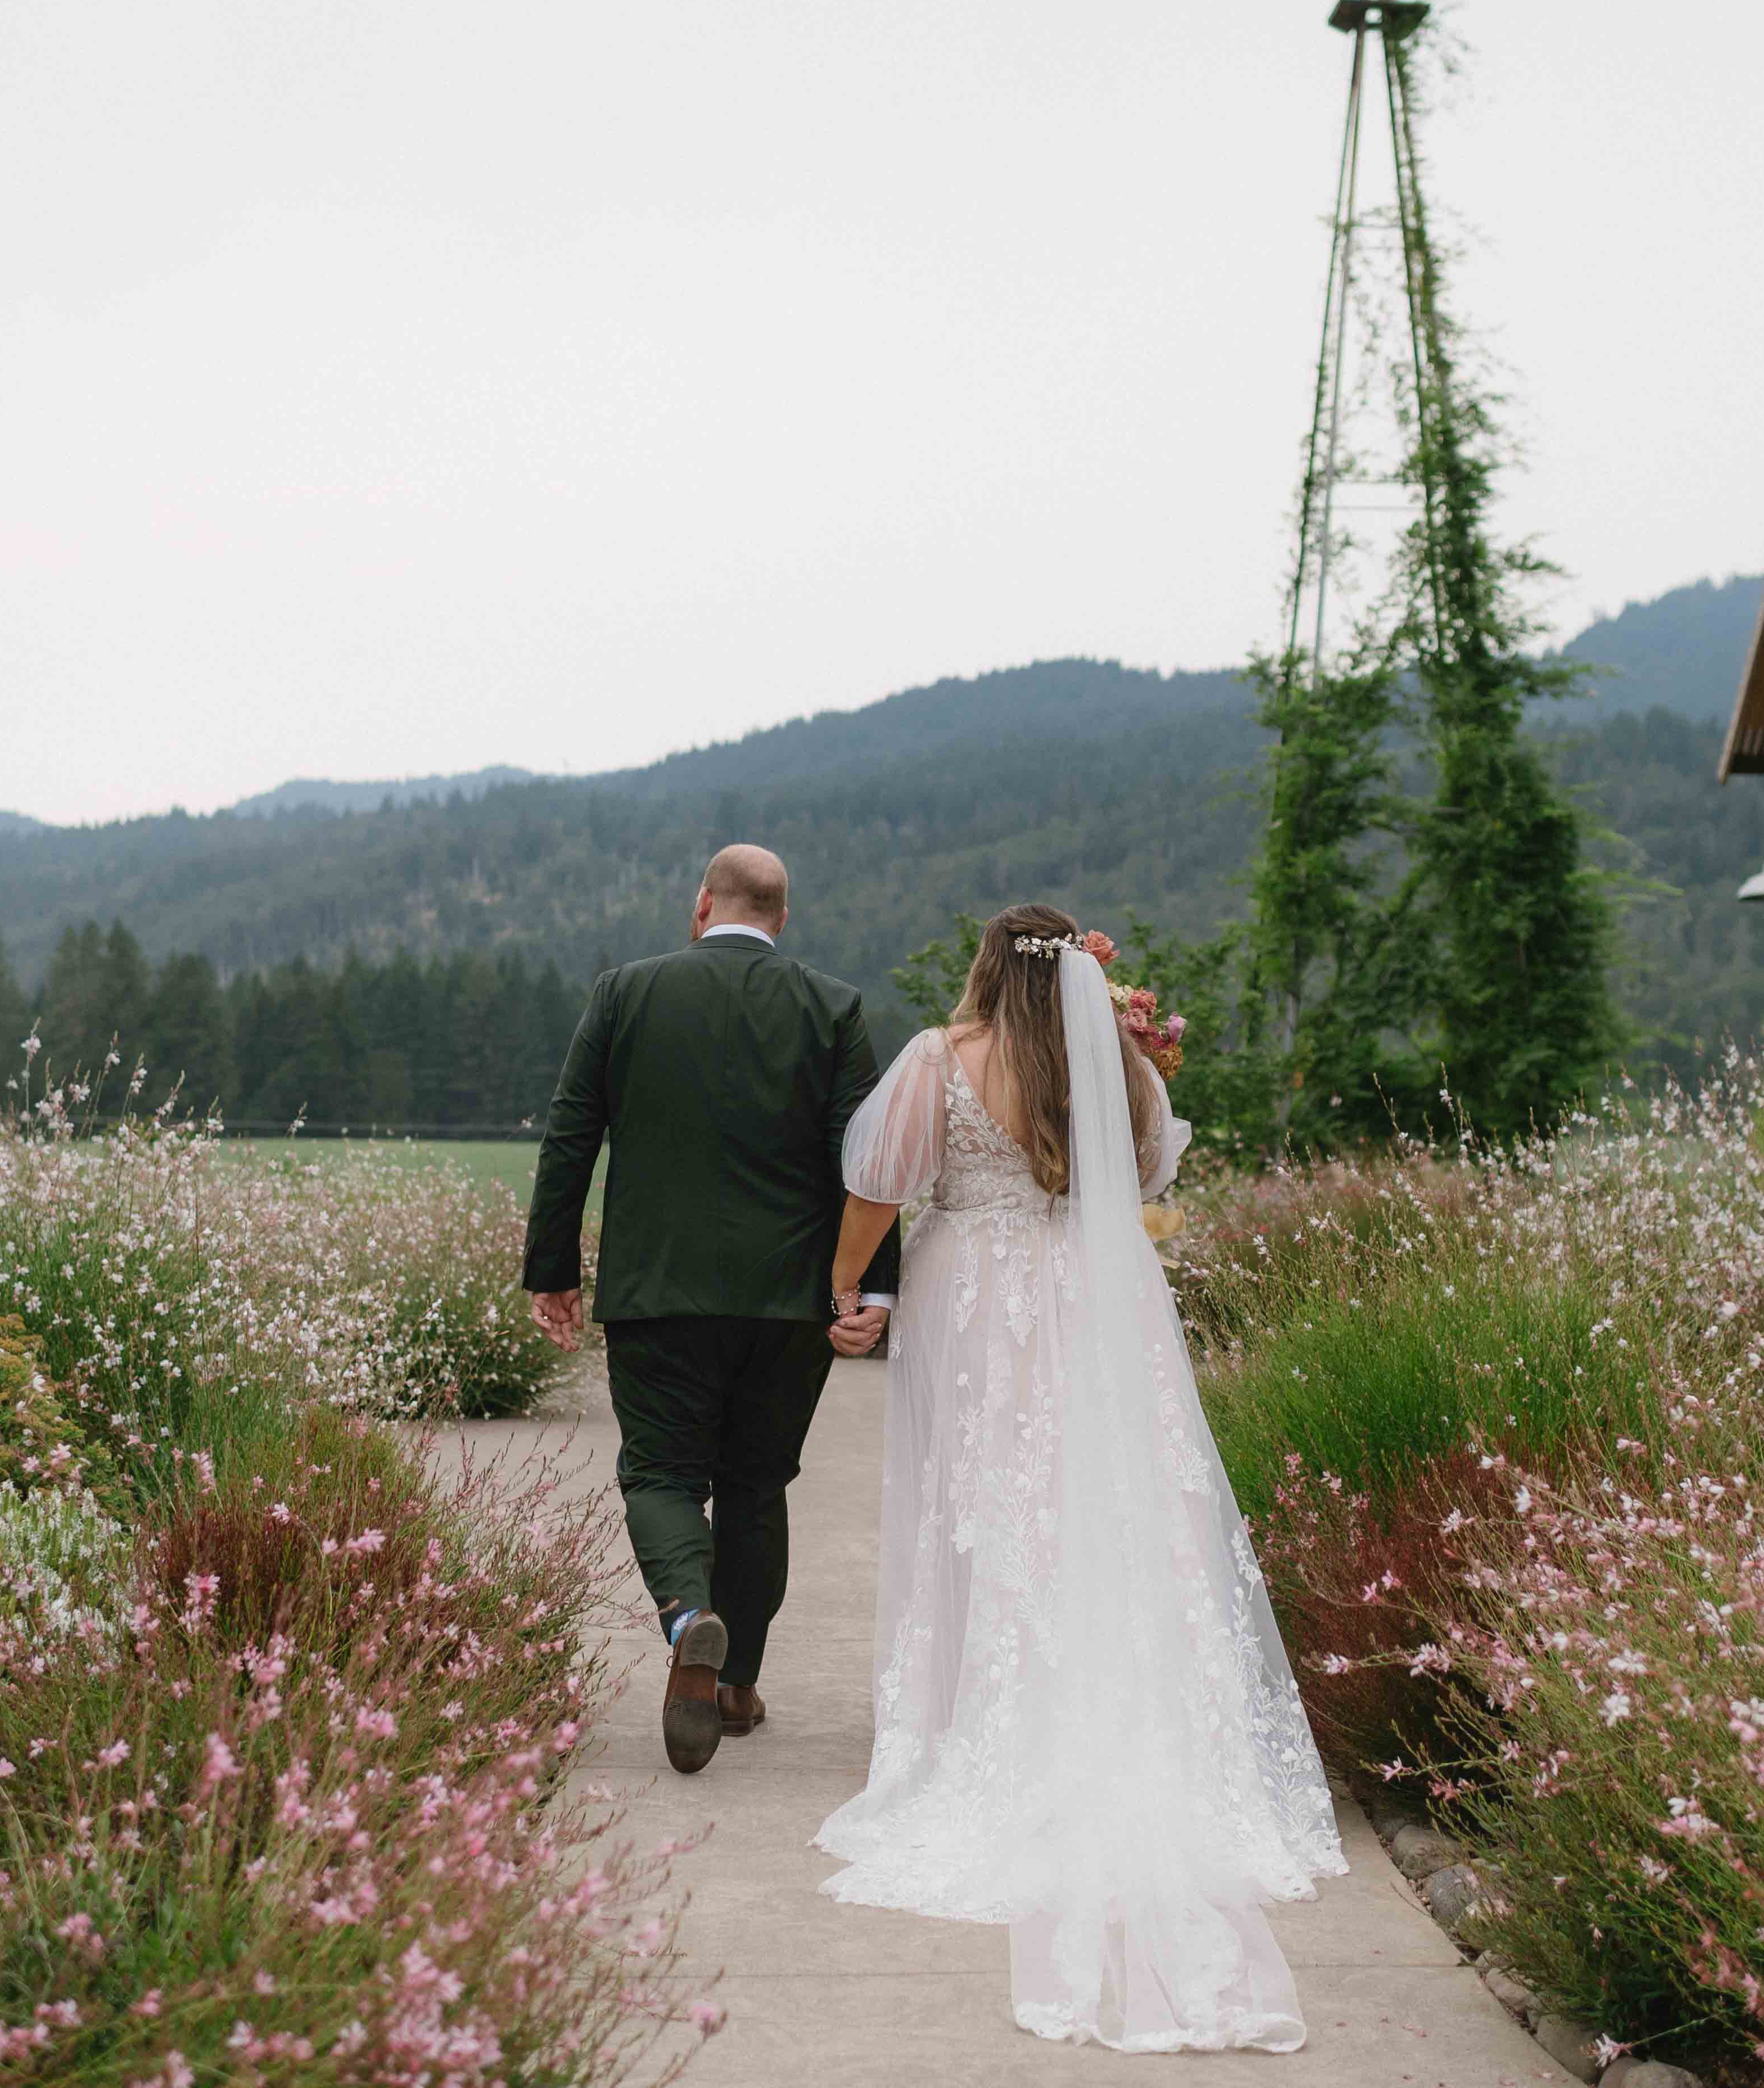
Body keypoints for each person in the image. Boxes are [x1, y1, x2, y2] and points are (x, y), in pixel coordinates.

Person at [811, 903, 1342, 2053]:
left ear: (988, 967)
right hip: (1095, 1293)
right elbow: (1145, 1172)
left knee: (980, 1506)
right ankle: (1100, 1694)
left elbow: (880, 1183)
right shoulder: (1123, 1069)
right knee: (1093, 1502)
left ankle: (977, 1720)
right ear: (1083, 982)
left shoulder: (940, 1058)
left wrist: (847, 1285)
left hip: (972, 1298)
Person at [523, 843, 901, 1775]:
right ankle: (734, 1688)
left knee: (660, 1475)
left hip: (657, 1292)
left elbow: (572, 1133)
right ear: (782, 918)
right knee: (755, 1486)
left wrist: (553, 1269)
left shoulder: (624, 993)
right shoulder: (833, 1007)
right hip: (790, 1302)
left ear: (702, 906)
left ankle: (690, 1617)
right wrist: (870, 1290)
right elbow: (869, 1161)